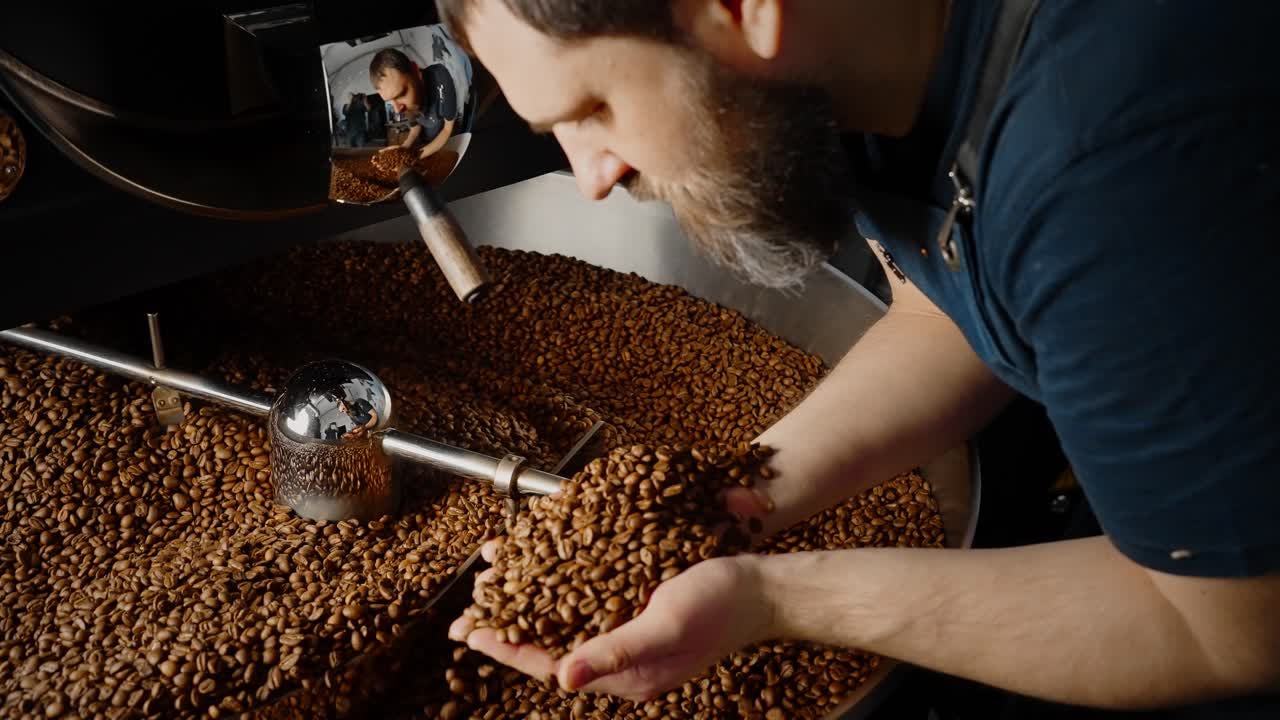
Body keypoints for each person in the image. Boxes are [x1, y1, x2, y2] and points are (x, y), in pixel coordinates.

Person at [439, 1, 1280, 718]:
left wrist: (775, 599)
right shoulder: (873, 72)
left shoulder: (1112, 175)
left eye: (591, 108)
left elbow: (1230, 625)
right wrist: (723, 503)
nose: (589, 175)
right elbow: (949, 310)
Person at [369, 47, 459, 160]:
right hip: (427, 141)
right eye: (390, 101)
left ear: (416, 72)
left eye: (401, 94)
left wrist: (412, 157)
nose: (397, 110)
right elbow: (415, 127)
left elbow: (447, 130)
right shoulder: (403, 106)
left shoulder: (441, 78)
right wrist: (404, 148)